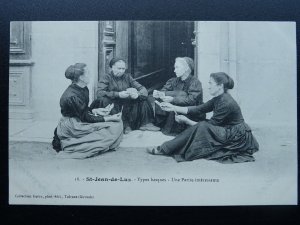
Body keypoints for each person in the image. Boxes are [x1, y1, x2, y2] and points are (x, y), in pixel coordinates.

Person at [147, 72, 259, 163]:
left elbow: (208, 127)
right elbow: (198, 109)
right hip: (228, 129)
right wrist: (172, 107)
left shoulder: (225, 102)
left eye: (210, 83)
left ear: (220, 86)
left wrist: (186, 120)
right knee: (200, 124)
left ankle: (165, 149)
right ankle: (167, 148)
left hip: (236, 135)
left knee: (202, 125)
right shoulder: (219, 98)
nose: (208, 86)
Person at [52, 63, 123, 159]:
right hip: (72, 125)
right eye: (88, 73)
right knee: (114, 125)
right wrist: (109, 118)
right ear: (81, 77)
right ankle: (72, 145)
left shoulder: (84, 88)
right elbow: (85, 117)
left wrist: (96, 110)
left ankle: (93, 142)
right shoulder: (72, 96)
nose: (90, 75)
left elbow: (83, 109)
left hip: (80, 119)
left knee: (116, 124)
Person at [93, 57, 160, 134]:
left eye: (123, 69)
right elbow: (99, 93)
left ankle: (146, 123)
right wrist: (118, 94)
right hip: (113, 104)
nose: (121, 71)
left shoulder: (127, 77)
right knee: (104, 100)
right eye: (119, 68)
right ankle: (124, 126)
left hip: (127, 104)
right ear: (112, 67)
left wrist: (137, 94)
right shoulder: (106, 77)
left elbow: (142, 89)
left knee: (143, 98)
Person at [153, 57, 205, 136]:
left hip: (191, 114)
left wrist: (173, 99)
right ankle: (163, 123)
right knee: (173, 94)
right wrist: (160, 94)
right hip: (175, 112)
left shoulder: (195, 83)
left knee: (181, 94)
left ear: (186, 68)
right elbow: (164, 90)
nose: (174, 70)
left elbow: (191, 100)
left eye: (177, 67)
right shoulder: (173, 81)